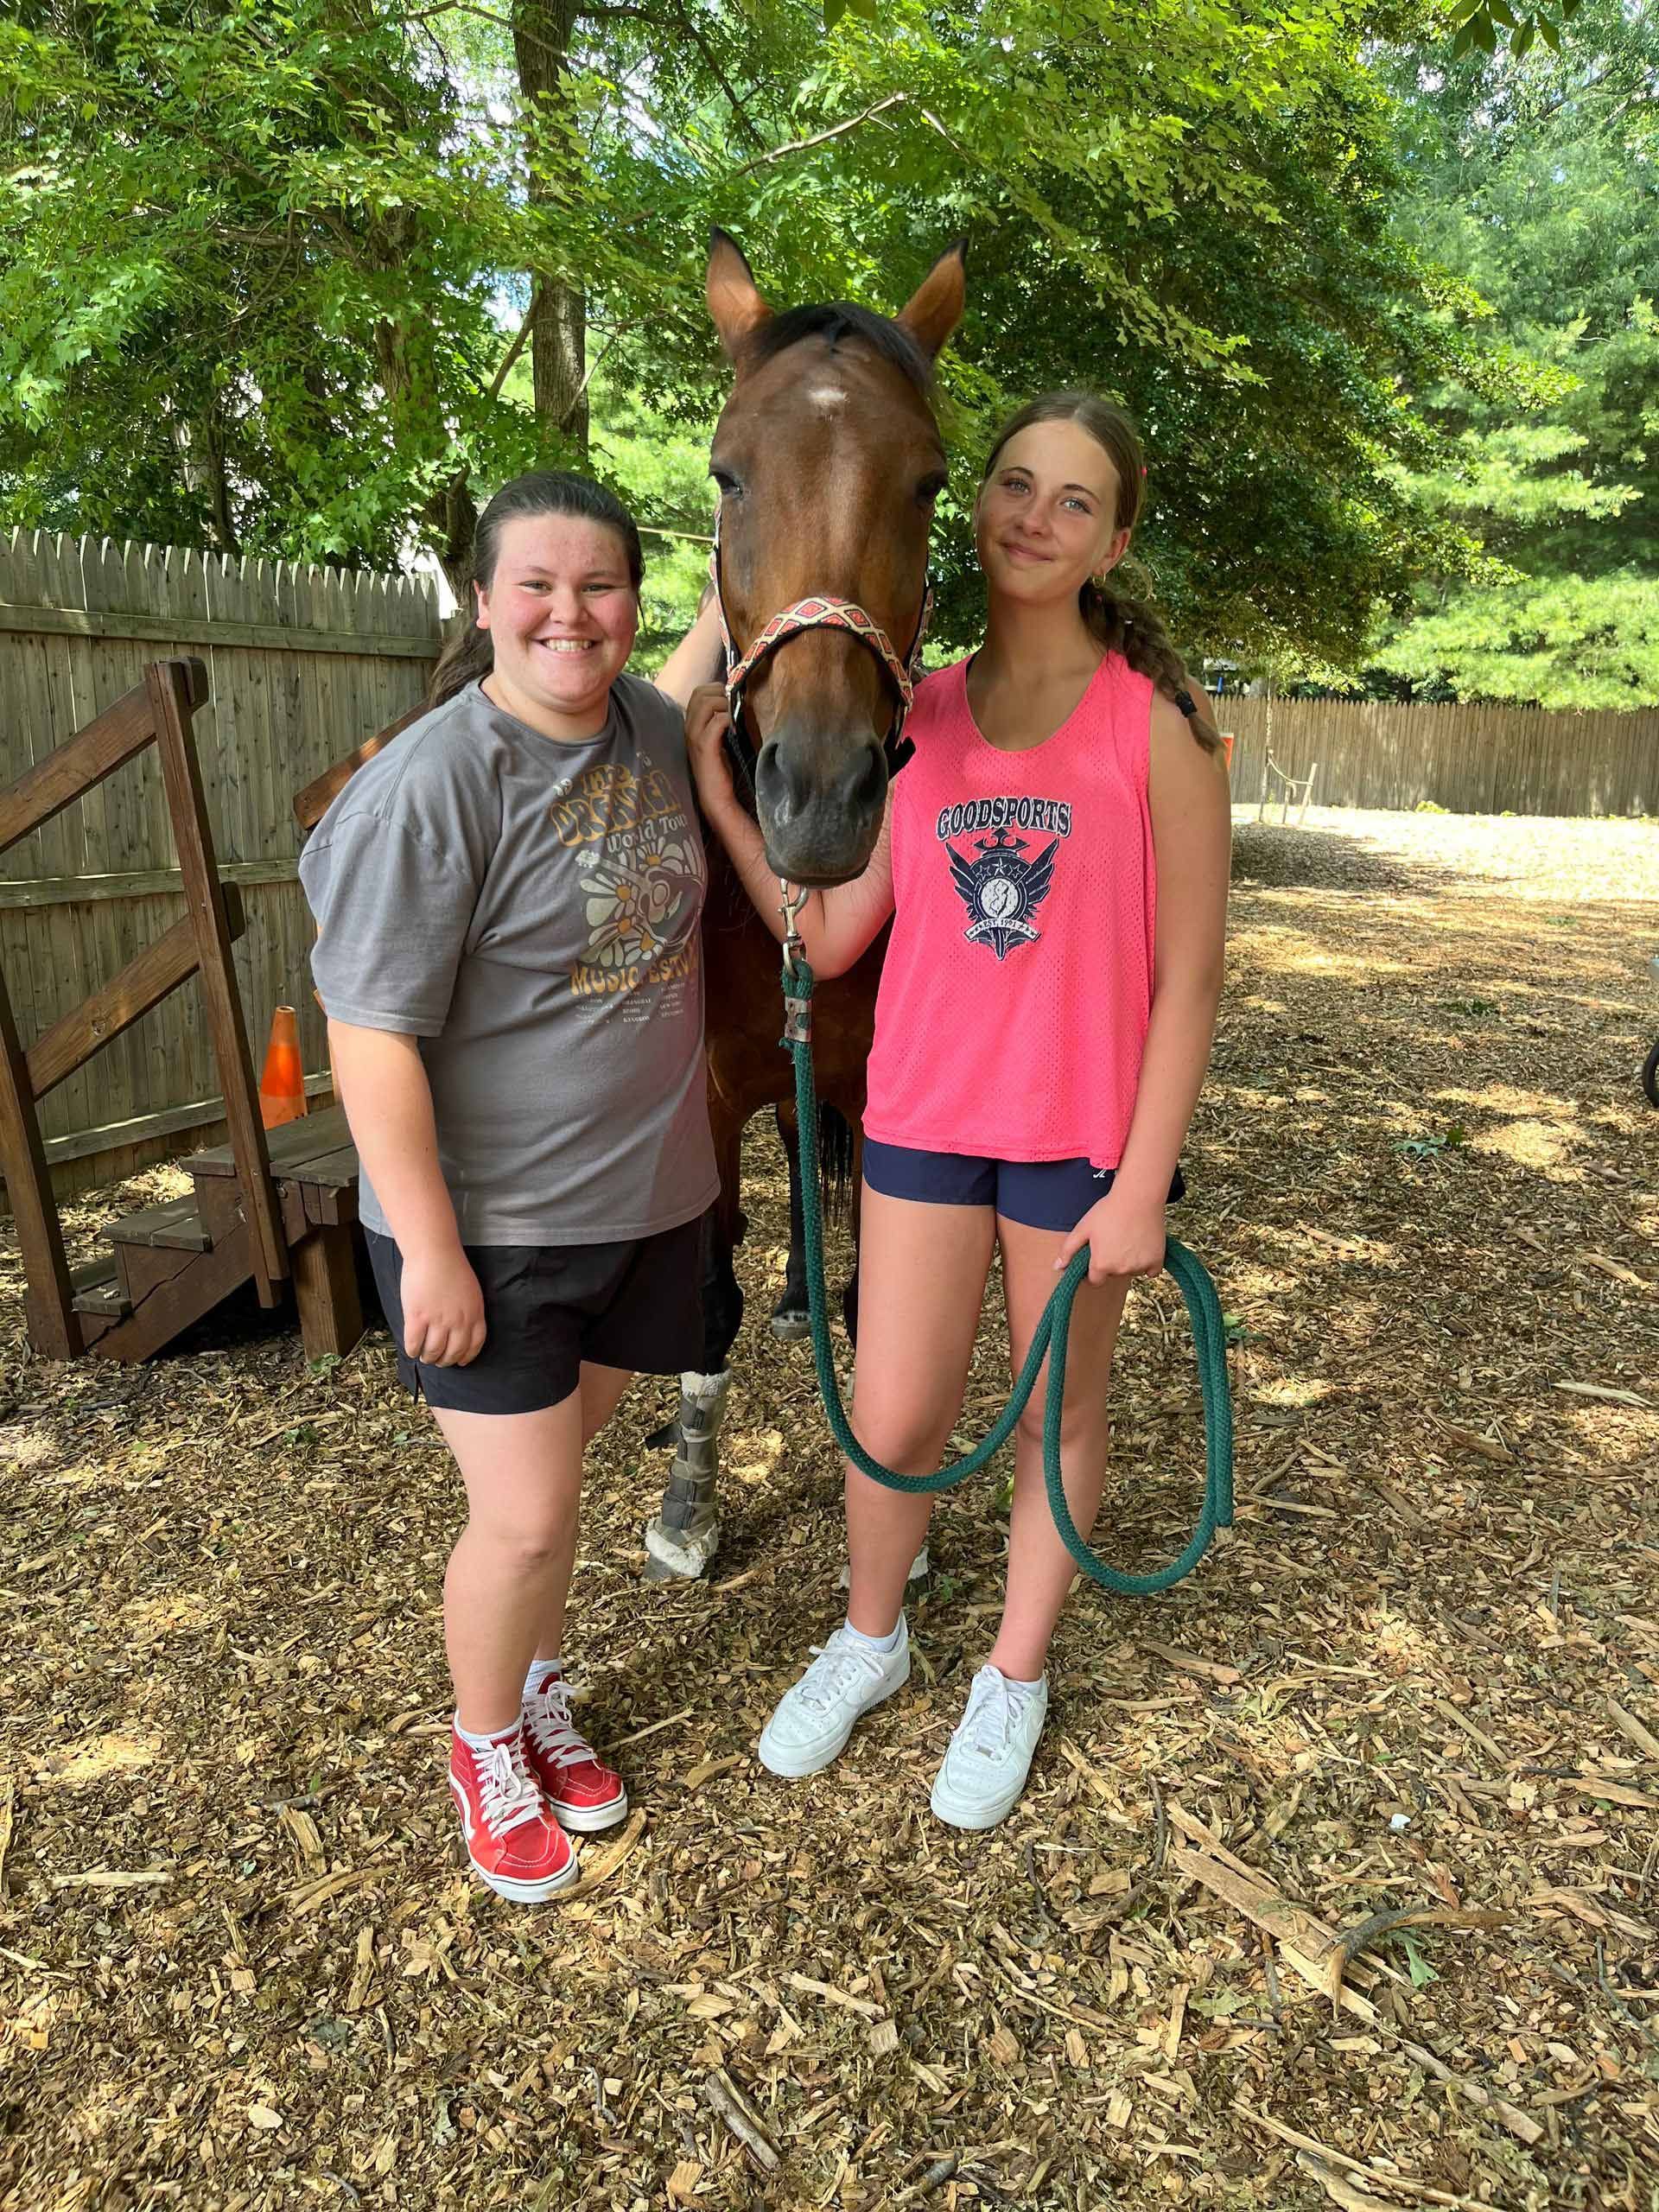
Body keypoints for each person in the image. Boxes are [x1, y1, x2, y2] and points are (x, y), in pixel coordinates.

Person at [685, 392, 1231, 1831]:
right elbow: (829, 936)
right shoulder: (913, 717)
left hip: (1079, 1141)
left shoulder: (1158, 729)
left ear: (1115, 537)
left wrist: (1142, 1182)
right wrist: (721, 789)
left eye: (1073, 500)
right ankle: (873, 1634)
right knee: (896, 1405)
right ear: (969, 507)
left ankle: (1014, 1671)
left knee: (1061, 1414)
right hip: (923, 1118)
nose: (1035, 519)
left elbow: (1188, 983)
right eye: (1015, 485)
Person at [300, 472, 721, 1901]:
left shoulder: (653, 729)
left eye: (598, 584)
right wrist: (428, 1249)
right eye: (533, 585)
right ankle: (485, 1741)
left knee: (559, 1482)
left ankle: (536, 1688)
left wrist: (748, 570)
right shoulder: (429, 788)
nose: (567, 612)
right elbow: (369, 1040)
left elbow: (694, 654)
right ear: (482, 603)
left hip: (647, 1209)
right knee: (528, 1517)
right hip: (492, 1233)